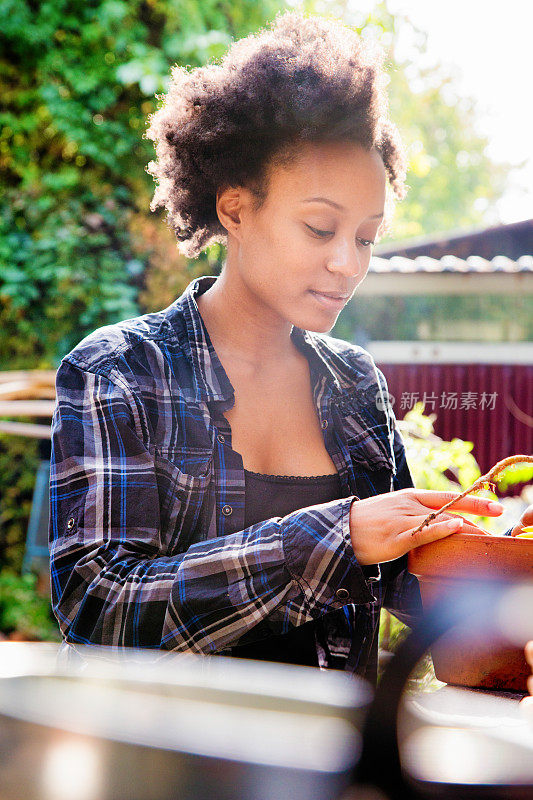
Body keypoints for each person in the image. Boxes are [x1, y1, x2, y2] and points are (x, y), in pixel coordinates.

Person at [48, 11, 530, 685]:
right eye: (318, 227)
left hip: (332, 774)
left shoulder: (353, 384)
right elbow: (100, 611)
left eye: (364, 237)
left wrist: (497, 552)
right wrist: (334, 537)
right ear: (235, 208)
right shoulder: (120, 372)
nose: (346, 264)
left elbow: (411, 589)